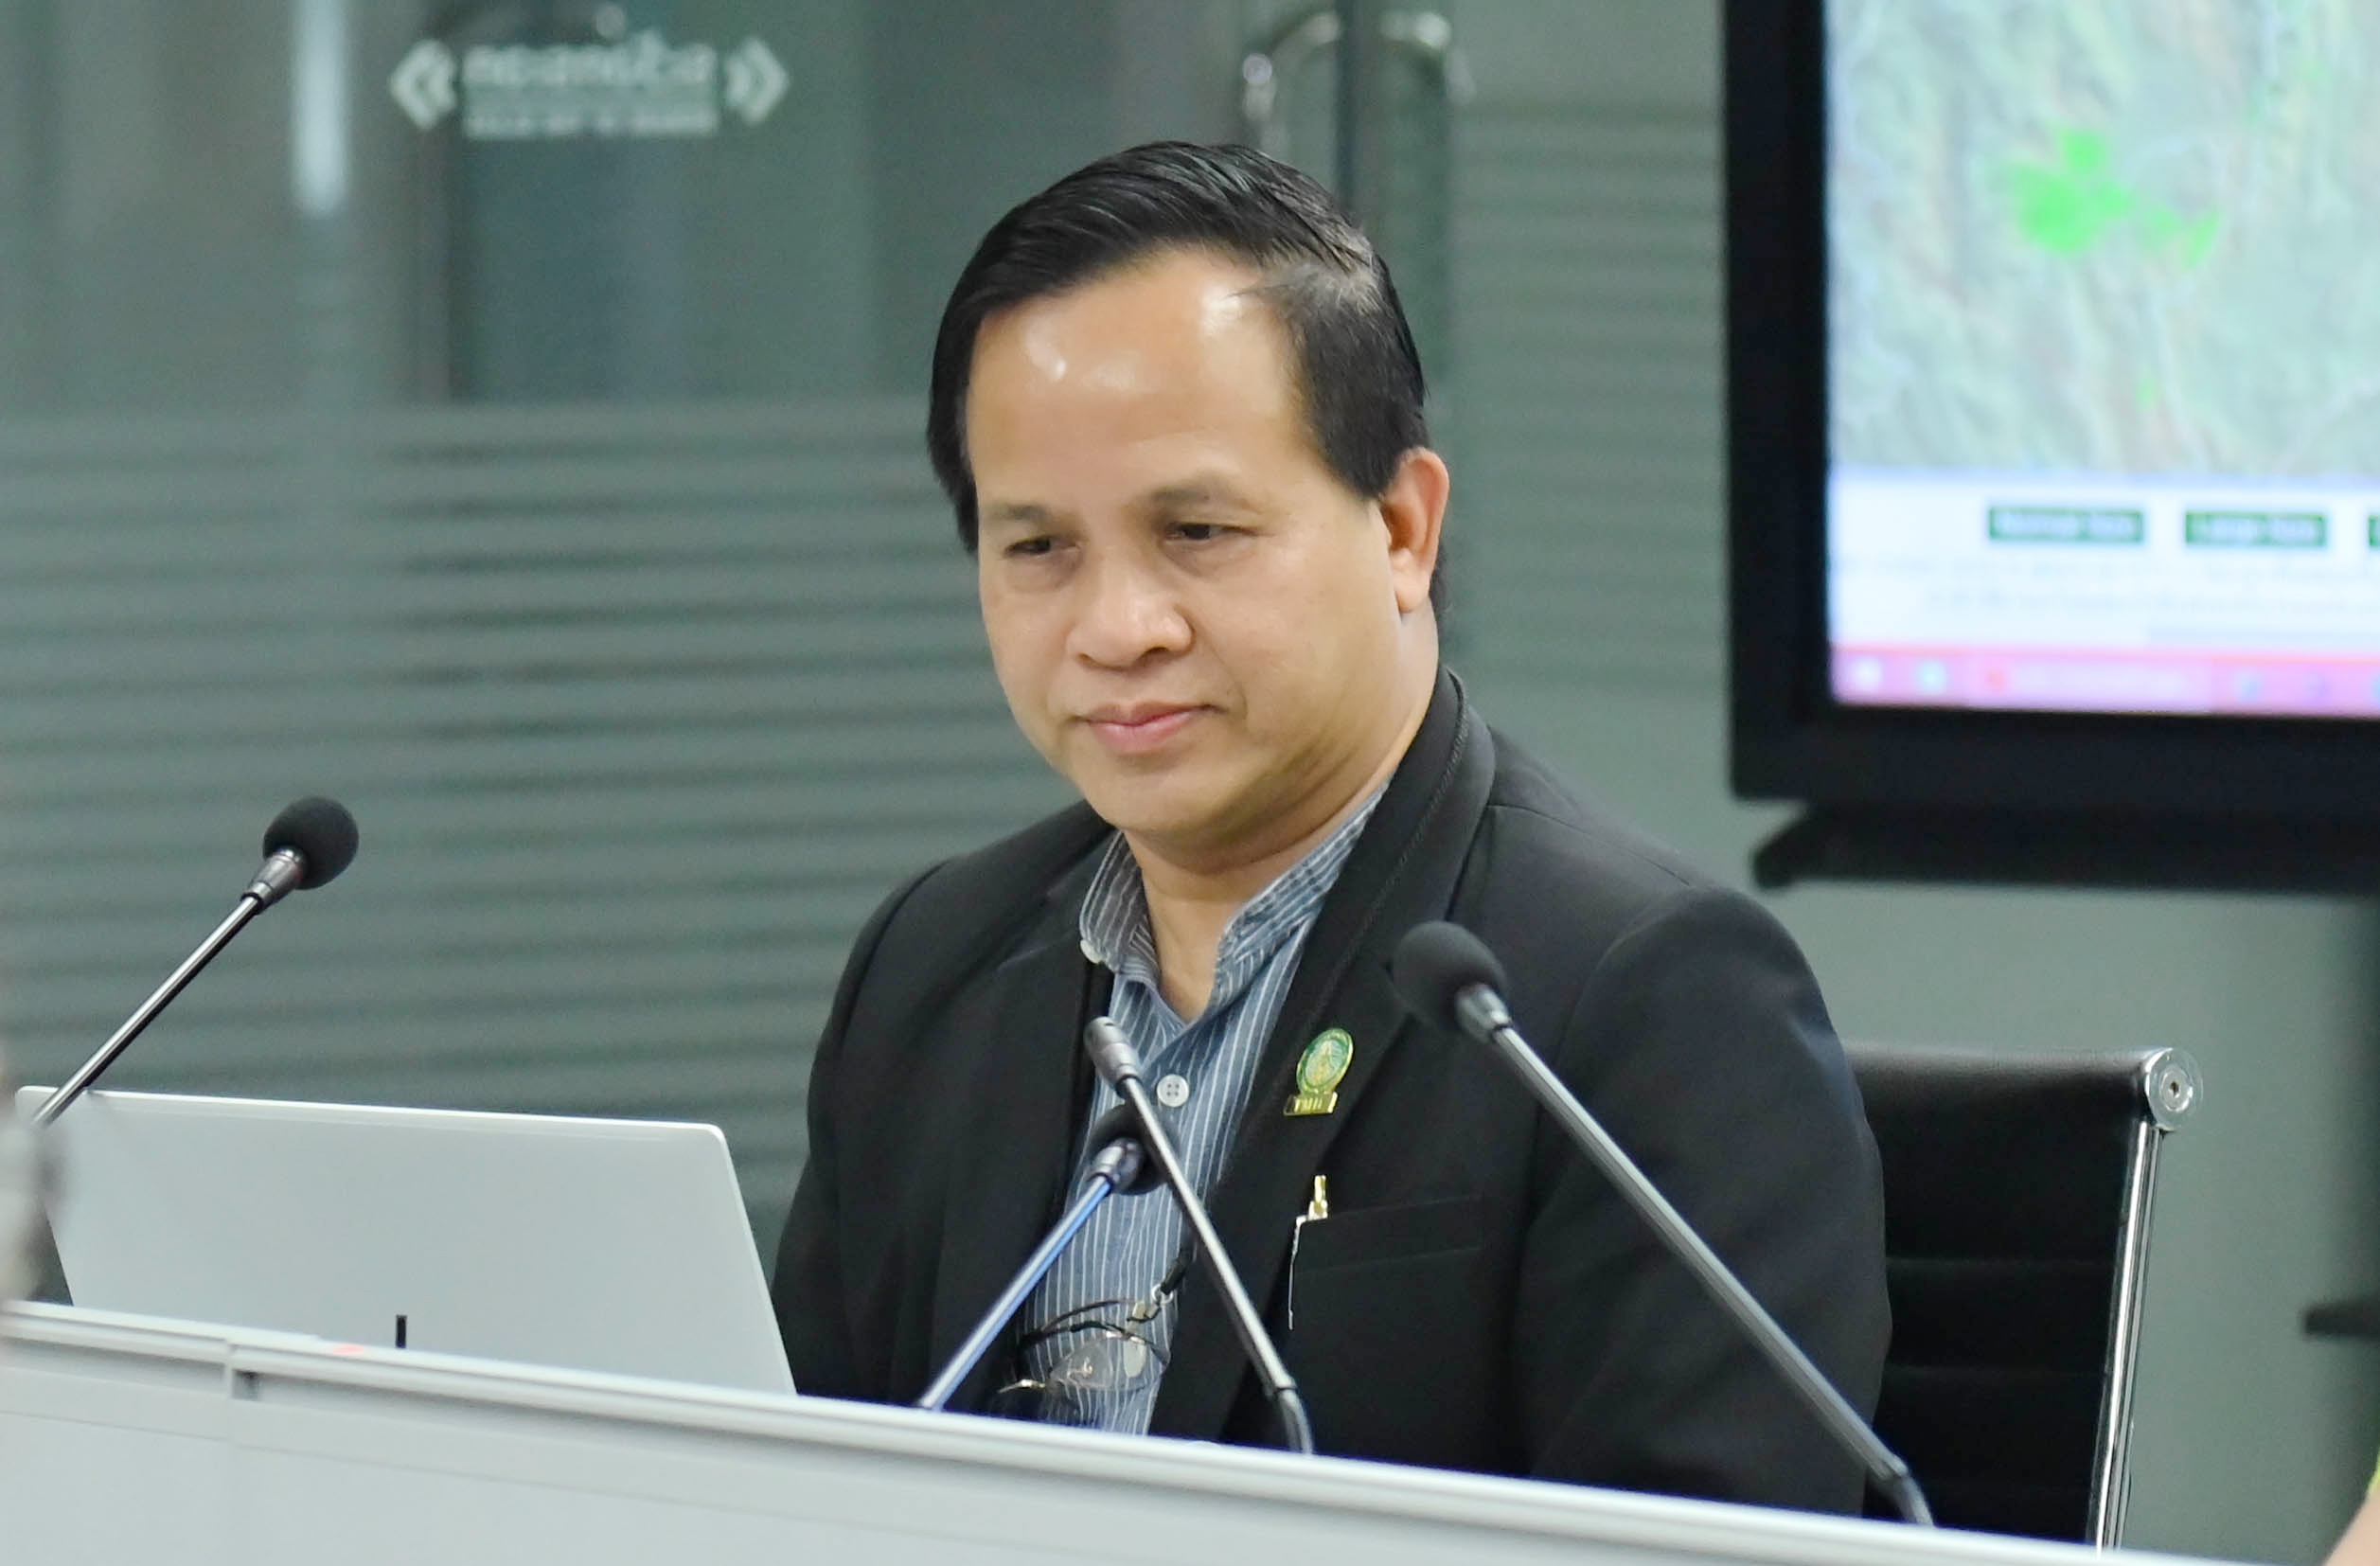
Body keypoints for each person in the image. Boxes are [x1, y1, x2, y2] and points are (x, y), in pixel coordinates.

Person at [773, 141, 1888, 1513]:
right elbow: (773, 1495)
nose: (1118, 628)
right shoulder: (930, 966)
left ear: (1404, 528)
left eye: (1197, 530)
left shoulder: (1641, 1002)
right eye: (1038, 547)